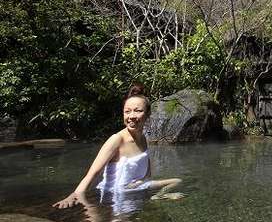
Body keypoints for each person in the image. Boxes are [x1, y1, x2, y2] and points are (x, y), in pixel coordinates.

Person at [53, 84, 183, 210]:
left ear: (148, 114)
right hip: (116, 194)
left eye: (138, 111)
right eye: (127, 112)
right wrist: (74, 196)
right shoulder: (116, 140)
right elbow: (92, 174)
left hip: (137, 187)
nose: (131, 116)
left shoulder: (143, 138)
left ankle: (157, 197)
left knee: (177, 181)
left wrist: (139, 183)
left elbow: (147, 174)